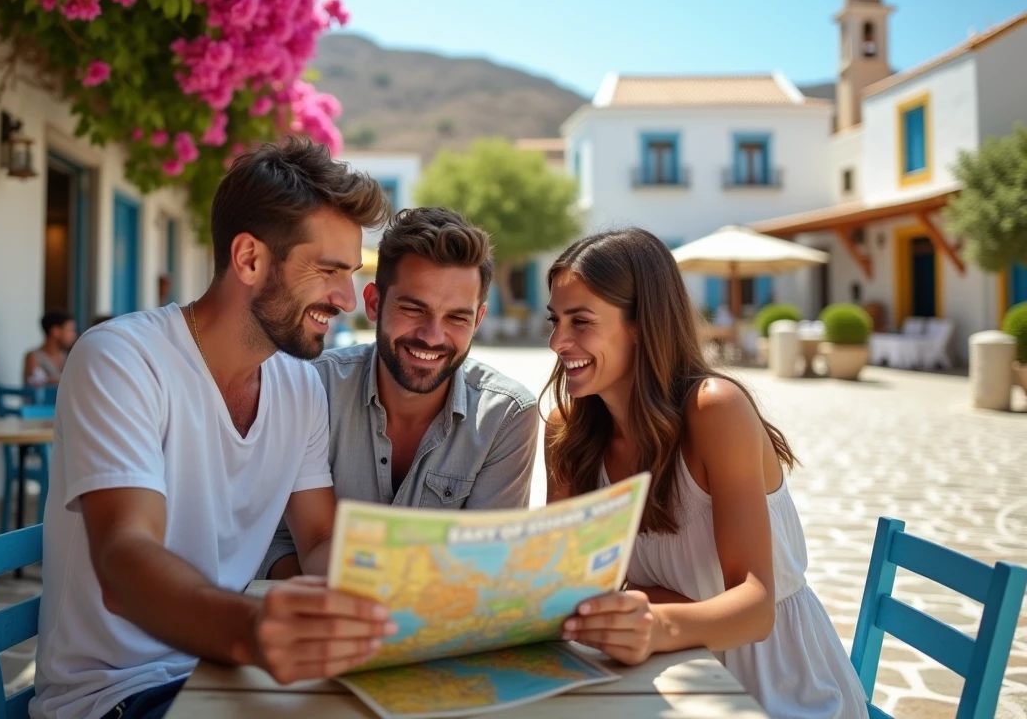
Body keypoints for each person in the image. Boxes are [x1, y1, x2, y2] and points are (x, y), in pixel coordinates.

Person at [31, 138, 398, 719]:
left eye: (349, 274)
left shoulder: (300, 386)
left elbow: (321, 541)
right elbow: (125, 562)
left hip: (222, 674)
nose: (346, 298)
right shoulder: (123, 359)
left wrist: (402, 604)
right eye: (329, 271)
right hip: (118, 695)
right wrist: (251, 629)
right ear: (249, 259)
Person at [543, 229, 867, 719]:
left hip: (774, 682)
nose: (557, 342)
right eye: (556, 320)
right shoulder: (567, 431)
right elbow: (563, 579)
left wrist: (655, 626)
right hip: (661, 671)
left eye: (580, 321)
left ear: (641, 325)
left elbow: (756, 607)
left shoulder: (715, 410)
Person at [261, 207, 538, 580]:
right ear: (374, 303)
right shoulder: (311, 388)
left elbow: (488, 569)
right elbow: (269, 541)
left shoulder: (505, 416)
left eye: (457, 317)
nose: (432, 336)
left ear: (479, 319)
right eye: (412, 309)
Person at [23, 309, 77, 386]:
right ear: (55, 331)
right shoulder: (34, 357)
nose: (74, 335)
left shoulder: (67, 357)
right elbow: (34, 382)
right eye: (70, 330)